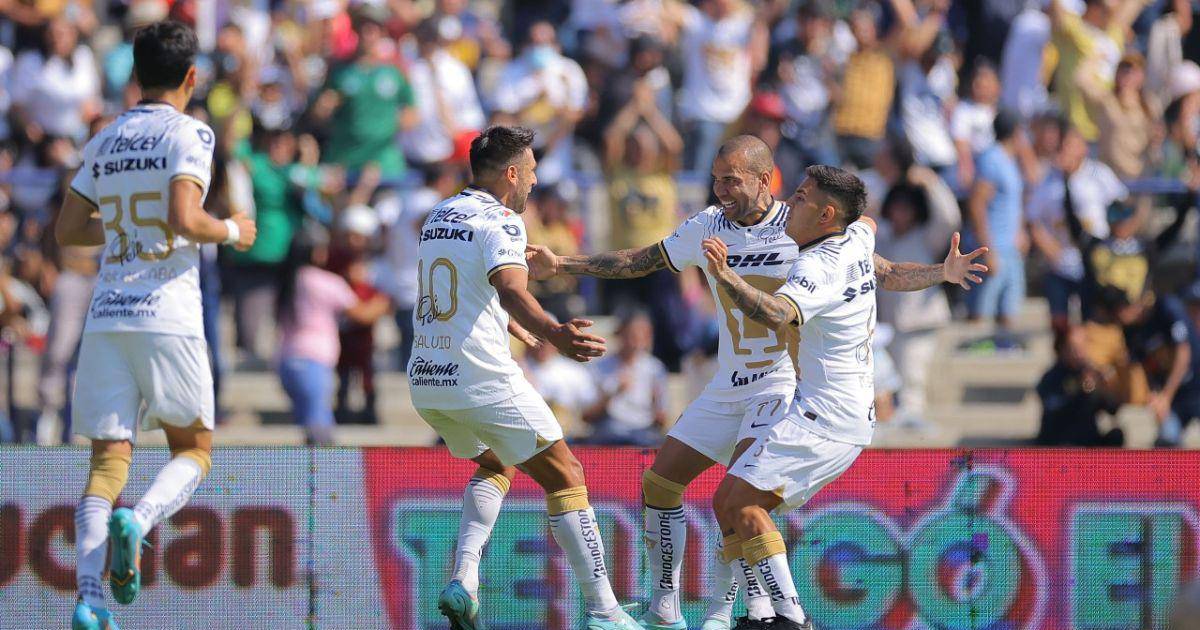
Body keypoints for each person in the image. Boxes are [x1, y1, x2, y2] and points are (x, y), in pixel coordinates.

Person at [527, 138, 987, 630]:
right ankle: (665, 608)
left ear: (764, 181)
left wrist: (940, 273)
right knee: (660, 483)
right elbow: (641, 260)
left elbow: (883, 272)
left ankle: (734, 614)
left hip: (780, 384)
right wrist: (564, 264)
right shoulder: (708, 226)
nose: (720, 189)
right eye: (715, 179)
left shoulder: (803, 233)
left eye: (731, 180)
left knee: (738, 500)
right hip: (729, 383)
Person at [53, 21, 257, 630]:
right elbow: (184, 217)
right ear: (192, 77)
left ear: (135, 73)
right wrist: (231, 230)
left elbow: (68, 231)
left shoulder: (105, 138)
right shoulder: (190, 132)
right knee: (193, 448)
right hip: (167, 312)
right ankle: (139, 521)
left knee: (105, 463)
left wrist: (122, 228)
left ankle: (90, 599)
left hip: (107, 315)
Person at [406, 125, 640, 630]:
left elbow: (458, 288)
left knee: (496, 462)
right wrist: (555, 333)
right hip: (480, 377)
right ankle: (605, 611)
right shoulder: (504, 220)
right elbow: (511, 288)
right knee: (566, 474)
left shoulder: (440, 213)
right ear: (511, 174)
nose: (534, 182)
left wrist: (507, 322)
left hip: (427, 379)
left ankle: (464, 580)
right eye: (531, 172)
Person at [698, 166, 891, 629]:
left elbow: (777, 313)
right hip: (838, 413)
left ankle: (791, 617)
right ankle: (761, 613)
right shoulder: (857, 236)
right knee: (727, 501)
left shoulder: (816, 266)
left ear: (826, 215)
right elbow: (868, 223)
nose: (789, 203)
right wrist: (944, 272)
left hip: (824, 418)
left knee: (745, 506)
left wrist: (726, 276)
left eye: (801, 198)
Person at [276, 236, 389, 445]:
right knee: (321, 432)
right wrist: (385, 300)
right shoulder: (323, 281)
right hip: (313, 362)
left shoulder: (288, 279)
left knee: (307, 428)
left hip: (286, 360)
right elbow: (362, 314)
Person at [965, 109, 1025, 330]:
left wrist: (1020, 232)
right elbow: (977, 204)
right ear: (1016, 132)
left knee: (1009, 317)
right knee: (980, 317)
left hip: (1010, 250)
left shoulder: (1010, 160)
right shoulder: (991, 159)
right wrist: (987, 250)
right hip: (992, 249)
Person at [580, 310, 671, 446]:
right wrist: (613, 394)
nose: (637, 340)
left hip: (644, 432)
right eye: (632, 335)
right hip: (609, 430)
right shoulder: (599, 367)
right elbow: (586, 417)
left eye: (643, 335)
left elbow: (662, 420)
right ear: (620, 334)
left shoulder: (655, 369)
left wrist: (656, 402)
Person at [1036, 325, 1124, 446]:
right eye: (1074, 348)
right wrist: (1081, 390)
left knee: (1116, 436)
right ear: (1062, 349)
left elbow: (1113, 409)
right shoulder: (1052, 377)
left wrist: (1104, 387)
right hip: (1060, 442)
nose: (1080, 353)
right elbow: (1054, 408)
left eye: (1083, 346)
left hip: (1087, 441)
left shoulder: (1091, 373)